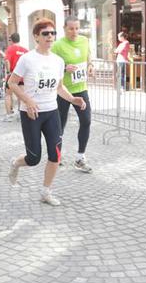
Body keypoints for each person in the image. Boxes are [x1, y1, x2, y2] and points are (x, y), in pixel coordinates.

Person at [7, 18, 86, 206]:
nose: (50, 36)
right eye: (45, 33)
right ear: (36, 36)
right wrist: (27, 100)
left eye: (53, 33)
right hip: (31, 113)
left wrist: (72, 99)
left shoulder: (58, 61)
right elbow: (12, 83)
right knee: (34, 158)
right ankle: (16, 163)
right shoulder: (27, 59)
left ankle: (45, 191)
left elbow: (59, 87)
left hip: (51, 112)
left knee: (55, 154)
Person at [51, 16, 93, 173]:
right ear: (64, 28)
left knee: (86, 120)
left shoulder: (84, 41)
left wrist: (91, 66)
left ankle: (80, 158)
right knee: (60, 125)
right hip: (63, 90)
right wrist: (64, 68)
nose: (74, 32)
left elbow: (88, 57)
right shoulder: (57, 45)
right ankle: (56, 155)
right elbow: (49, 65)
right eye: (71, 29)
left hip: (81, 88)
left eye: (77, 28)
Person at [2, 32, 27, 121]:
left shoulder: (10, 49)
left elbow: (7, 61)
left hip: (13, 74)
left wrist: (8, 72)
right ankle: (21, 114)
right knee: (21, 95)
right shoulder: (25, 50)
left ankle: (9, 115)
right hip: (22, 76)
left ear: (11, 40)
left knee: (8, 94)